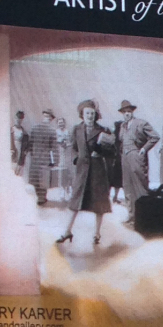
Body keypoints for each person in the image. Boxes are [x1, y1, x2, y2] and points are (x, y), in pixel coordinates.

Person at [56, 100, 114, 246]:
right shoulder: (76, 129)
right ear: (82, 114)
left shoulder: (102, 130)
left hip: (97, 171)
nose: (90, 116)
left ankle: (97, 234)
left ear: (95, 115)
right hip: (82, 171)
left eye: (92, 113)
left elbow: (111, 151)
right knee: (75, 201)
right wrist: (76, 159)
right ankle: (67, 231)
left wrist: (100, 151)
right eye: (87, 113)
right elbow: (73, 148)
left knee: (99, 203)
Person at [117, 100, 159, 222]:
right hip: (125, 158)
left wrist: (144, 149)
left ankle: (145, 216)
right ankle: (131, 215)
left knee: (140, 185)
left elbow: (155, 136)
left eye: (129, 111)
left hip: (136, 156)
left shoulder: (141, 123)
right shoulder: (122, 126)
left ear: (132, 112)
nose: (127, 114)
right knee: (127, 186)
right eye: (124, 112)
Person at [29, 109, 56, 205]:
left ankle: (40, 197)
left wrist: (33, 154)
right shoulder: (51, 131)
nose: (47, 119)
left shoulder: (35, 128)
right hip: (43, 158)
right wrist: (53, 162)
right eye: (47, 117)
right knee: (42, 178)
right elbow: (53, 148)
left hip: (37, 158)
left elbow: (30, 144)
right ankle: (41, 197)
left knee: (38, 178)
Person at [55, 117, 72, 201]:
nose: (61, 124)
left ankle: (68, 190)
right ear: (57, 124)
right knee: (61, 174)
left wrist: (66, 143)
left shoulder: (67, 132)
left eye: (62, 123)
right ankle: (61, 192)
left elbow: (70, 142)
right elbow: (55, 143)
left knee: (68, 173)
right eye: (59, 123)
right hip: (60, 155)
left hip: (67, 154)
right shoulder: (56, 132)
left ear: (64, 123)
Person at [10, 110, 29, 176]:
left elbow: (26, 145)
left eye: (20, 119)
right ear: (15, 118)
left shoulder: (24, 132)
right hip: (12, 150)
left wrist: (25, 151)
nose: (18, 120)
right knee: (11, 169)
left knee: (18, 169)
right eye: (17, 118)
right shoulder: (11, 130)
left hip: (20, 149)